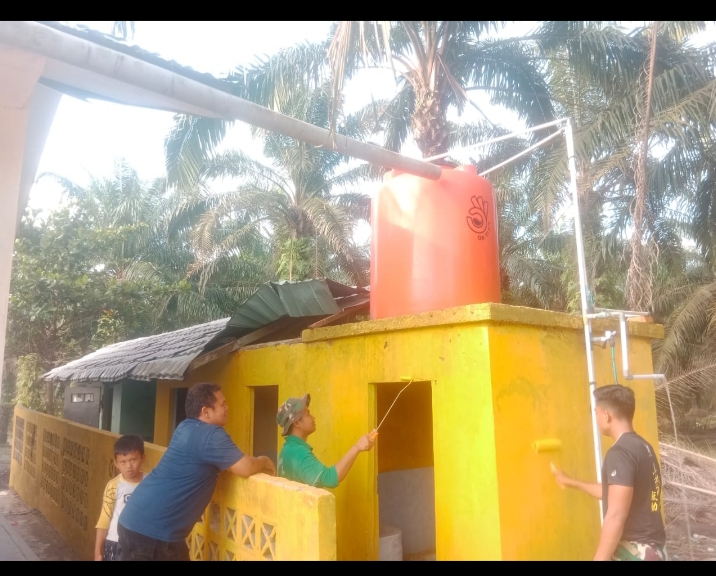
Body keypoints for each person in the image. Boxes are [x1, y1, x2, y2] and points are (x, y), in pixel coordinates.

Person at [117, 382, 276, 561]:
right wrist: (264, 460)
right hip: (154, 535)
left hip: (131, 521)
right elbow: (245, 467)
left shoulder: (185, 427)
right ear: (206, 411)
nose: (227, 408)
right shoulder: (211, 434)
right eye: (222, 404)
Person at [551, 385, 667, 561]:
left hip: (636, 552)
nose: (596, 419)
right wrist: (570, 482)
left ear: (606, 416)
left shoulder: (619, 453)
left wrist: (599, 558)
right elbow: (615, 493)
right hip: (653, 551)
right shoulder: (643, 446)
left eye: (596, 413)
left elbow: (616, 515)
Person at [276, 393, 375, 489]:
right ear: (297, 423)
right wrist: (357, 447)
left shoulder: (287, 450)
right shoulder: (298, 453)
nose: (313, 417)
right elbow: (330, 478)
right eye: (308, 414)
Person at [94, 435, 146, 561]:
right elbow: (104, 519)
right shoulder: (113, 486)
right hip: (116, 543)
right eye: (123, 462)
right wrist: (97, 552)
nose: (129, 466)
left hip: (143, 544)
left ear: (143, 458)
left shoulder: (150, 483)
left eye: (133, 460)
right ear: (116, 463)